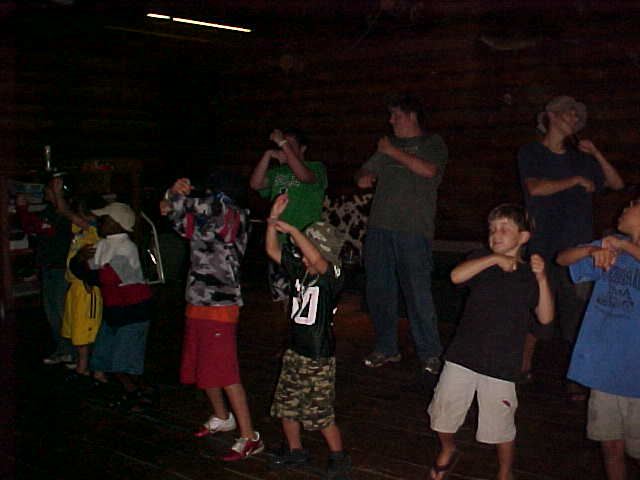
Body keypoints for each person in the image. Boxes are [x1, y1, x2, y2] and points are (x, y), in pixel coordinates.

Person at [427, 204, 554, 480]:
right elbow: (456, 276)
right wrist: (494, 259)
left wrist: (542, 277)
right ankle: (448, 448)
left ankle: (505, 471)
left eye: (505, 228)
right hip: (463, 356)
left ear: (523, 237)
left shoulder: (528, 275)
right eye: (492, 229)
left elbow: (545, 317)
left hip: (502, 364)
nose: (496, 233)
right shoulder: (480, 259)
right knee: (442, 414)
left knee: (501, 427)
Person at [518, 95, 624, 396]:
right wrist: (575, 181)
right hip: (543, 246)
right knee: (535, 310)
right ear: (551, 115)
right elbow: (535, 188)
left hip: (579, 249)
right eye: (569, 113)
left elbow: (616, 183)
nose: (574, 119)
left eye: (578, 117)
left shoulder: (582, 159)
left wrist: (596, 153)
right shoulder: (532, 152)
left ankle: (578, 378)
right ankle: (521, 368)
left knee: (578, 314)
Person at [162, 174, 264, 462]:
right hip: (197, 299)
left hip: (221, 304)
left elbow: (195, 206)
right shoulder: (207, 216)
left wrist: (174, 194)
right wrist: (171, 199)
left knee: (226, 372)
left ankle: (250, 437)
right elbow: (176, 219)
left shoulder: (232, 214)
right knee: (203, 366)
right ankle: (222, 416)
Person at [354, 93, 448, 374]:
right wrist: (364, 176)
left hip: (413, 231)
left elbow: (429, 171)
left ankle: (430, 353)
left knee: (418, 293)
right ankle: (386, 348)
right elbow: (364, 172)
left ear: (411, 116)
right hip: (379, 229)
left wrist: (391, 152)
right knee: (379, 291)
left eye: (396, 115)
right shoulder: (387, 146)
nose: (391, 121)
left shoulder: (432, 143)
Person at [265, 194, 351, 479]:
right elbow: (272, 249)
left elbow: (317, 259)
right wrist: (273, 220)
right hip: (295, 352)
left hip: (318, 357)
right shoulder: (300, 271)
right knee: (286, 405)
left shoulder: (332, 276)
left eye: (308, 250)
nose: (303, 257)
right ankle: (295, 450)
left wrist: (292, 229)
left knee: (320, 412)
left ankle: (339, 457)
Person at [557, 198, 640, 480]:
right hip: (603, 369)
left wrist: (624, 247)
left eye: (634, 204)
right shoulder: (611, 244)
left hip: (636, 373)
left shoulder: (621, 246)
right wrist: (592, 250)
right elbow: (562, 259)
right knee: (611, 447)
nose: (625, 207)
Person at [70, 202, 153, 408]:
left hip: (133, 311)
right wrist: (80, 262)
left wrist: (80, 261)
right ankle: (135, 392)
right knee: (105, 358)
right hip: (115, 310)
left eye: (105, 219)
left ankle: (139, 393)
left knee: (122, 362)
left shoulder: (126, 248)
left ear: (118, 223)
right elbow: (85, 272)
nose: (100, 222)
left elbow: (100, 277)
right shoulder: (105, 244)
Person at [250, 128, 327, 303]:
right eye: (282, 145)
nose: (284, 148)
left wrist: (283, 144)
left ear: (303, 148)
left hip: (305, 243)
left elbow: (305, 177)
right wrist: (268, 154)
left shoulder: (316, 167)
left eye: (290, 145)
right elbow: (256, 184)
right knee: (284, 296)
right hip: (279, 242)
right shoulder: (278, 172)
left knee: (306, 295)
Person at [16, 175, 74, 365]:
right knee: (52, 313)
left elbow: (43, 228)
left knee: (62, 312)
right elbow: (32, 227)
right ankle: (63, 350)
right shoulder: (49, 212)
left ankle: (73, 352)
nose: (45, 191)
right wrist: (22, 209)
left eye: (50, 188)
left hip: (61, 269)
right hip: (48, 268)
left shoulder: (67, 214)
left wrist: (23, 209)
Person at [61, 194, 106, 377]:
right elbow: (67, 214)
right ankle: (84, 367)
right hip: (75, 286)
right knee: (77, 328)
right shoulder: (81, 231)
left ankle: (91, 369)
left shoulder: (94, 231)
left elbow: (66, 212)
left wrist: (57, 192)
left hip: (87, 288)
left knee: (87, 330)